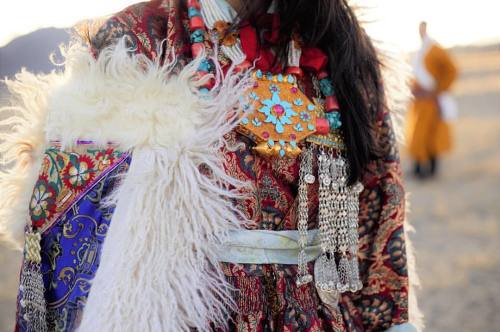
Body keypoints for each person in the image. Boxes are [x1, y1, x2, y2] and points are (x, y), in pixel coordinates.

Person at [0, 0, 419, 331]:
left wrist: (390, 321)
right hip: (188, 310)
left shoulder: (340, 46)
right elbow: (74, 228)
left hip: (320, 313)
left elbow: (380, 200)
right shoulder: (135, 37)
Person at [406, 21, 458, 179]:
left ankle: (430, 170)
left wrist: (438, 90)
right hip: (418, 102)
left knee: (430, 135)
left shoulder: (435, 49)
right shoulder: (419, 51)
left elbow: (452, 70)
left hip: (430, 102)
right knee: (416, 135)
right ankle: (418, 168)